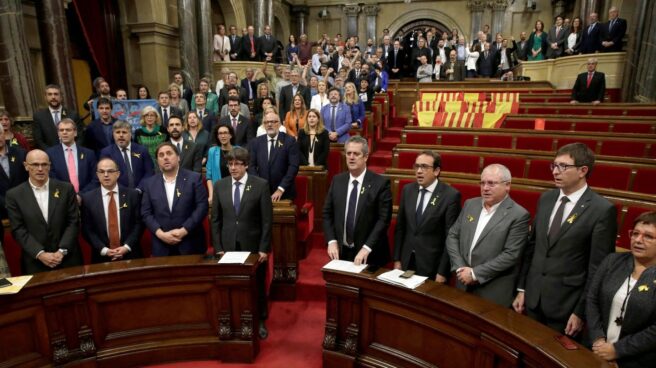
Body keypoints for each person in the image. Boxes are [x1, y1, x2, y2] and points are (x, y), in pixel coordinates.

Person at [514, 143, 617, 338]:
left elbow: (598, 268)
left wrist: (581, 311)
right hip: (533, 298)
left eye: (563, 166)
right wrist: (522, 288)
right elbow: (533, 247)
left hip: (566, 306)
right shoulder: (546, 198)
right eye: (554, 165)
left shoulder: (601, 210)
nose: (555, 172)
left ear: (582, 171)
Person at [210, 146, 272, 339]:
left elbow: (267, 220)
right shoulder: (220, 185)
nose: (233, 168)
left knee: (257, 286)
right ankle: (235, 319)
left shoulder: (260, 185)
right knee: (231, 285)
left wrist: (264, 248)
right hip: (228, 245)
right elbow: (216, 220)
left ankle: (259, 320)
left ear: (246, 165)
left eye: (237, 164)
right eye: (230, 164)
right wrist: (218, 247)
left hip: (252, 245)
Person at [446, 164, 530, 307]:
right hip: (463, 283)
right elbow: (453, 235)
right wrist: (460, 267)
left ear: (507, 185)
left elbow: (511, 255)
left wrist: (474, 274)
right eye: (482, 183)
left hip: (492, 291)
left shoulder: (518, 215)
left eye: (491, 183)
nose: (485, 188)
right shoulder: (470, 204)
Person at [587, 211, 656, 368]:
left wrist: (617, 350)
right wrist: (598, 340)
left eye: (648, 236)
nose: (638, 240)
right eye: (635, 233)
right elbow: (592, 299)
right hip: (596, 350)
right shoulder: (612, 261)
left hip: (638, 360)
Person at [5, 150, 83, 274]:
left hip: (68, 259)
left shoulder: (66, 188)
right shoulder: (14, 195)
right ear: (26, 166)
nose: (40, 169)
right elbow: (18, 229)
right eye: (35, 165)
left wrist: (61, 251)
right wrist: (40, 254)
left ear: (49, 165)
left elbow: (73, 222)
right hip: (35, 262)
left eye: (44, 164)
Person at [323, 136, 392, 266]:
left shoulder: (380, 183)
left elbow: (383, 220)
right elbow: (327, 213)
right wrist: (331, 241)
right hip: (341, 253)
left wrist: (366, 248)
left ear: (365, 157)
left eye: (356, 154)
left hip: (369, 255)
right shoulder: (337, 181)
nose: (351, 157)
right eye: (348, 153)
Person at [394, 151, 461, 282]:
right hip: (406, 261)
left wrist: (442, 272)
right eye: (416, 166)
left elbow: (451, 238)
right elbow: (400, 228)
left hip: (432, 266)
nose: (419, 171)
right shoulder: (407, 190)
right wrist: (397, 259)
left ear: (436, 171)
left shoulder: (450, 196)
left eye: (424, 167)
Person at [141, 142, 208, 256]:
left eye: (169, 153)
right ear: (157, 161)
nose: (165, 157)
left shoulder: (194, 178)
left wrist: (184, 230)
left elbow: (202, 207)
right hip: (161, 245)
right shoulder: (149, 184)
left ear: (178, 157)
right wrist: (161, 234)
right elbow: (146, 213)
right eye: (161, 155)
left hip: (190, 243)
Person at [80, 158, 143, 263]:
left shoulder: (132, 195)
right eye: (101, 171)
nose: (105, 175)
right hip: (101, 257)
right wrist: (104, 250)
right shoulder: (88, 198)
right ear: (97, 174)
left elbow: (139, 224)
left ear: (118, 174)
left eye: (110, 171)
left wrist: (126, 247)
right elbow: (87, 229)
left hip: (131, 255)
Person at [248, 110, 299, 201]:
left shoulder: (289, 141)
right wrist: (259, 186)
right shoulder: (256, 142)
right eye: (266, 122)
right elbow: (251, 167)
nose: (269, 124)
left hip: (284, 193)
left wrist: (281, 188)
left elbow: (293, 167)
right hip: (261, 192)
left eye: (273, 122)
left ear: (279, 123)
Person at [46, 118, 98, 195]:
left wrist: (81, 195)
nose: (64, 133)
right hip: (62, 198)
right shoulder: (50, 154)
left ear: (75, 133)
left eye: (68, 130)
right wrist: (68, 196)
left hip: (87, 197)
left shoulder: (89, 153)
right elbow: (51, 179)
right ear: (58, 133)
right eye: (61, 130)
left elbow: (95, 178)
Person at [100, 120, 154, 190]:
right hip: (118, 193)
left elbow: (149, 172)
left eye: (124, 132)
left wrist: (140, 188)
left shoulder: (142, 150)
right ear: (113, 134)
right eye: (117, 132)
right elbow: (106, 176)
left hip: (141, 192)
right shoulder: (107, 152)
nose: (121, 135)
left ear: (131, 134)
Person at [32, 84, 81, 150]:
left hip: (71, 152)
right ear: (45, 97)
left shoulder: (73, 114)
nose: (53, 97)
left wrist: (72, 150)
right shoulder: (39, 116)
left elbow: (80, 136)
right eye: (50, 94)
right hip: (49, 155)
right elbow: (38, 140)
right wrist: (51, 153)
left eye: (56, 94)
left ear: (61, 97)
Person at [0, 124, 28, 221]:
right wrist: (7, 204)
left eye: (0, 134)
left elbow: (28, 179)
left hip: (25, 206)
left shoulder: (21, 153)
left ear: (4, 134)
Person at [206, 124, 235, 202]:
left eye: (225, 133)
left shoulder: (238, 150)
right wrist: (211, 195)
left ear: (230, 135)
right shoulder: (212, 151)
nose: (223, 136)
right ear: (217, 136)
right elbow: (209, 176)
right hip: (218, 192)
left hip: (235, 191)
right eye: (220, 133)